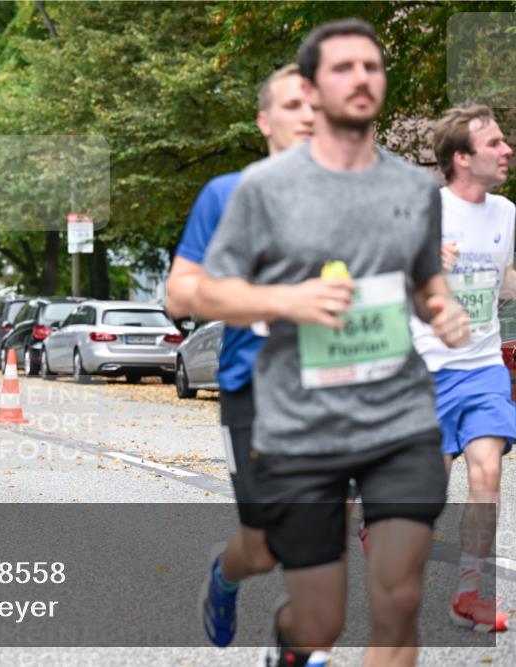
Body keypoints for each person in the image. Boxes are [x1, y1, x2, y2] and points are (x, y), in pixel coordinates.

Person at [196, 19, 471, 666]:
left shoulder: (412, 188)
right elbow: (200, 293)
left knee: (400, 593)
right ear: (314, 89)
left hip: (398, 416)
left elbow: (424, 283)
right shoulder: (260, 189)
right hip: (299, 419)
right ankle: (289, 646)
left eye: (371, 66)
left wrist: (441, 308)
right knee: (319, 618)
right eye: (342, 68)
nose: (360, 79)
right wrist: (285, 301)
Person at [165, 63, 315, 650]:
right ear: (264, 121)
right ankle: (225, 577)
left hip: (339, 390)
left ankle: (299, 646)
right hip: (253, 391)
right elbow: (180, 293)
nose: (308, 115)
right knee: (265, 544)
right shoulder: (227, 194)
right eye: (293, 105)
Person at [409, 105, 513, 633]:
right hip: (426, 370)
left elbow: (505, 280)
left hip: (483, 367)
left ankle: (469, 594)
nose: (507, 150)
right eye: (494, 143)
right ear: (462, 159)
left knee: (487, 472)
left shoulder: (507, 213)